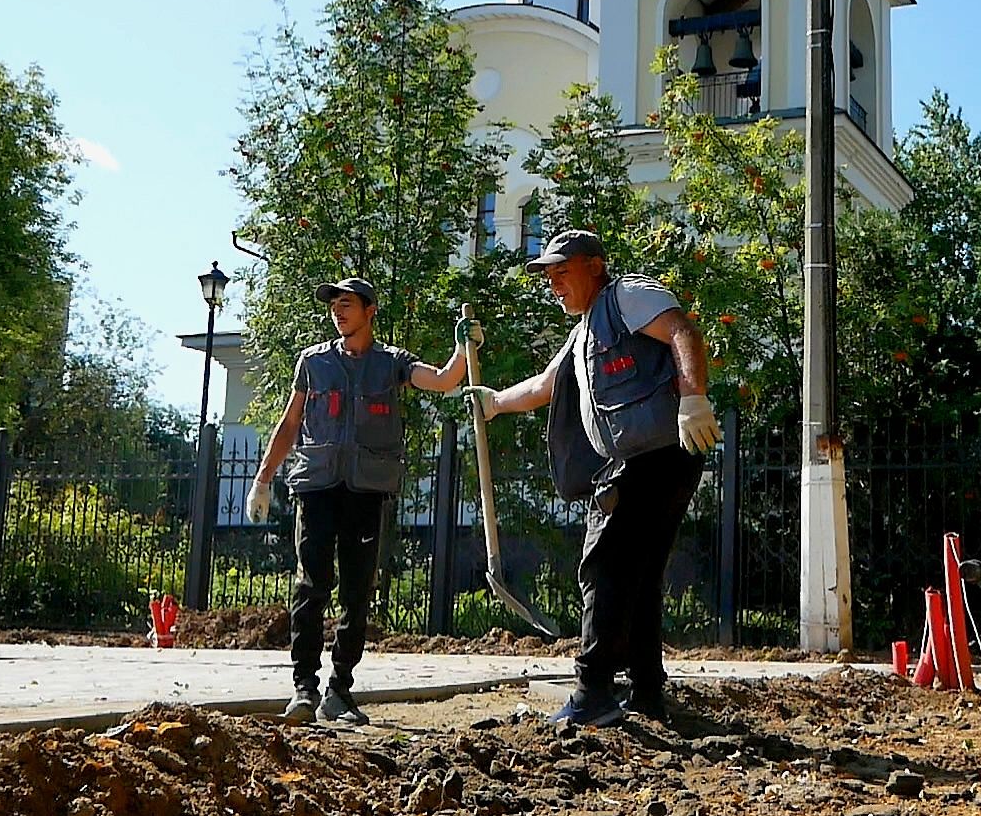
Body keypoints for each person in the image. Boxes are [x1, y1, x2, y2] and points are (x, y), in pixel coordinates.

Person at [466, 230, 721, 726]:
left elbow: (682, 332)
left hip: (655, 456)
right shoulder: (582, 335)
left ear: (595, 266)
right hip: (650, 459)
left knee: (603, 566)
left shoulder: (627, 296)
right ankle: (646, 691)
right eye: (549, 277)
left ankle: (592, 691)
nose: (554, 284)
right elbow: (544, 386)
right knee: (639, 575)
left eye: (563, 272)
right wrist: (494, 402)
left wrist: (693, 396)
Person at [245, 276, 479, 724]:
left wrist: (463, 347)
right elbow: (290, 422)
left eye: (347, 304)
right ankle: (304, 689)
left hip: (366, 491)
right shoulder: (313, 362)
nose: (338, 311)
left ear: (370, 311)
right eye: (334, 305)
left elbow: (446, 380)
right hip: (315, 487)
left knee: (356, 593)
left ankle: (339, 691)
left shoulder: (391, 363)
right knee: (311, 587)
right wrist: (263, 478)